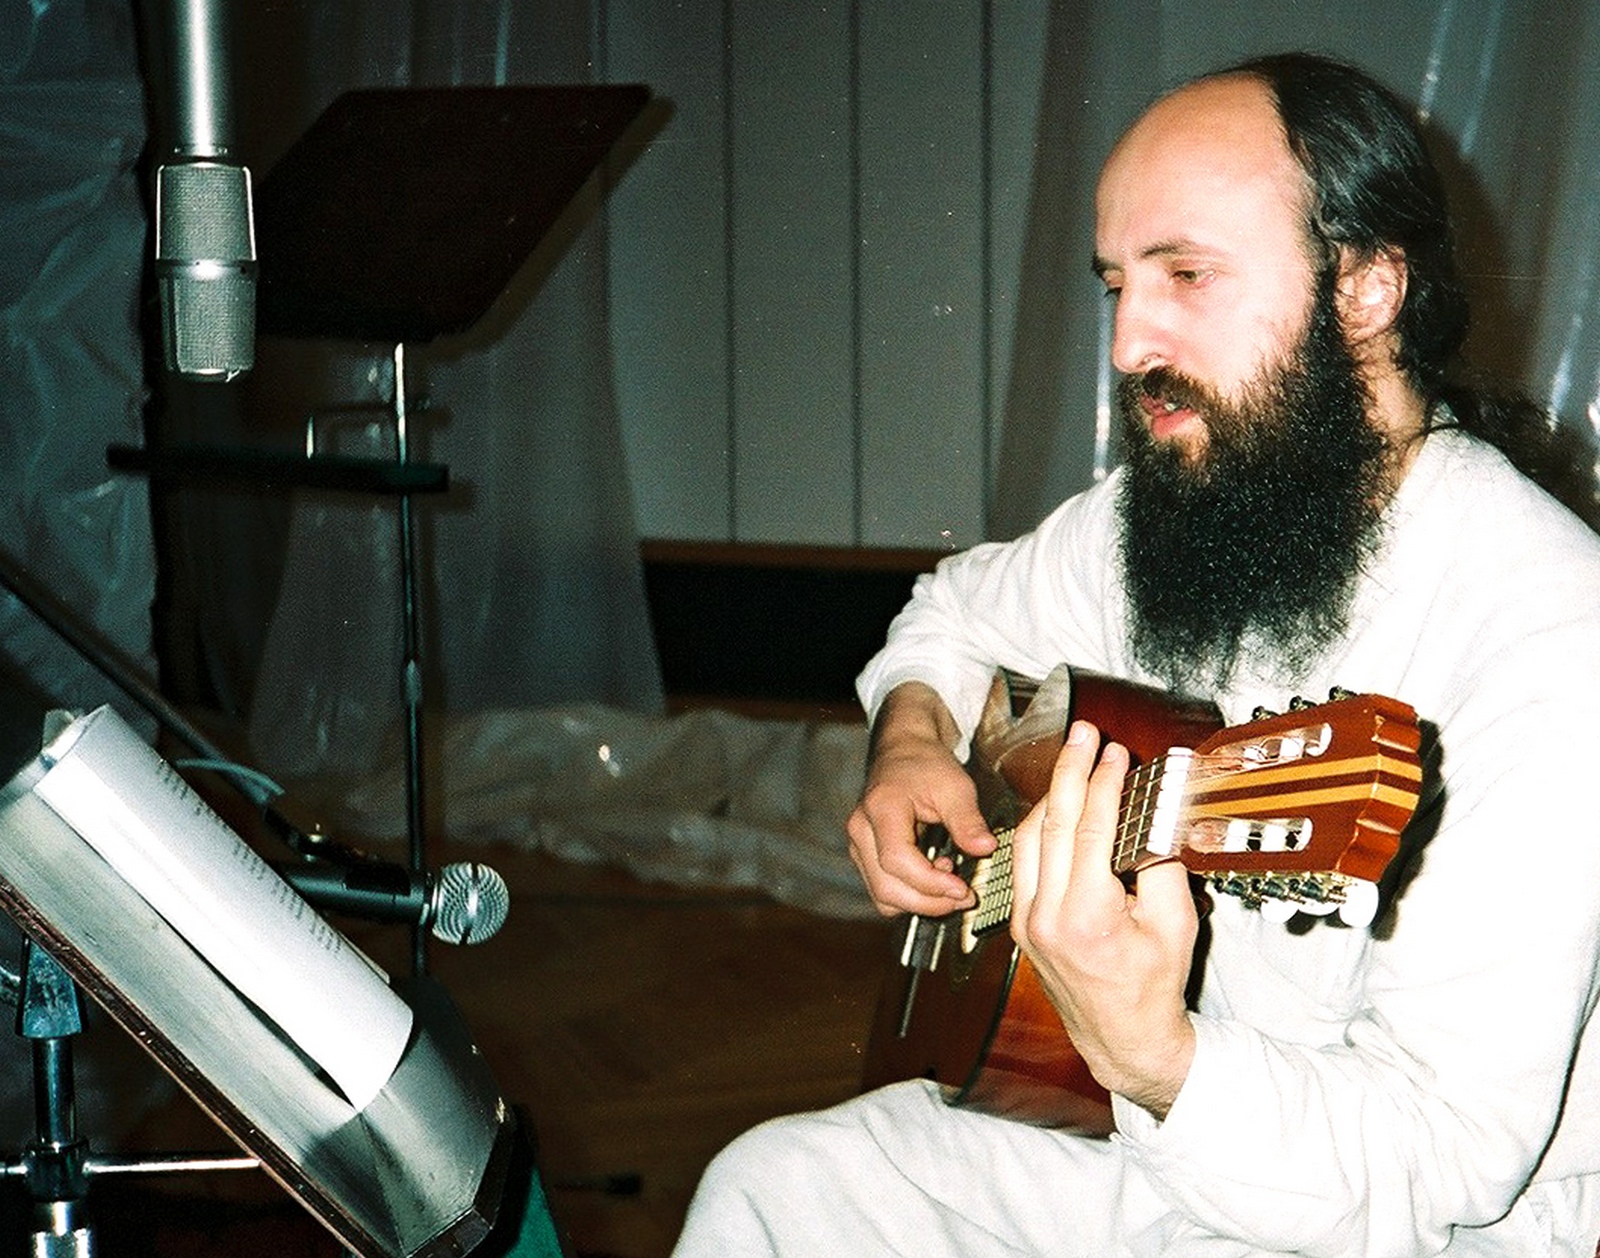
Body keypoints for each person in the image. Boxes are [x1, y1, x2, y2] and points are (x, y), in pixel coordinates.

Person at [672, 51, 1600, 1257]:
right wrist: (908, 745)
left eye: (1186, 275)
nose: (1125, 344)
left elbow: (1440, 1155)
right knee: (778, 1189)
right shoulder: (1179, 509)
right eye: (1115, 282)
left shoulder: (1547, 625)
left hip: (1419, 1219)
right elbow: (955, 613)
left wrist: (1150, 1050)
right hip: (1152, 1139)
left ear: (1366, 288)